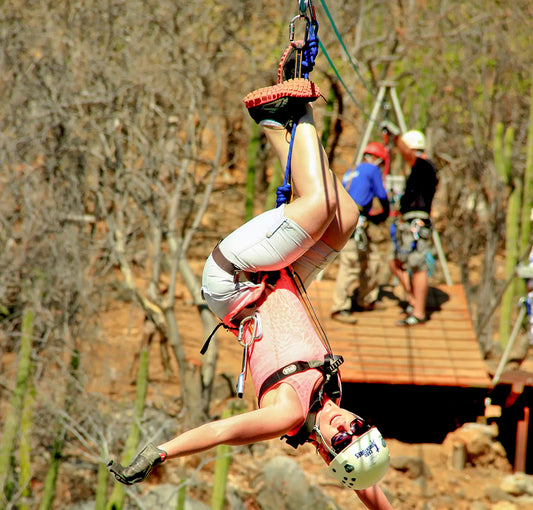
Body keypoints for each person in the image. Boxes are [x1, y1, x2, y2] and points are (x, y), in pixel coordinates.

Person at [108, 68, 393, 508]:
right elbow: (369, 488)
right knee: (346, 220)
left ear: (324, 449)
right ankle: (282, 124)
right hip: (285, 277)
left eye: (342, 438)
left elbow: (223, 433)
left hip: (237, 281)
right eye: (360, 427)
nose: (346, 425)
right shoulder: (331, 398)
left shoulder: (289, 413)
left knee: (316, 206)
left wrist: (162, 451)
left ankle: (294, 114)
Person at [381, 121, 439, 326]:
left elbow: (407, 154)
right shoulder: (419, 170)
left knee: (418, 267)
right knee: (395, 262)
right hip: (408, 222)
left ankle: (419, 312)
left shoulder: (424, 165)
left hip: (417, 224)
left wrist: (396, 137)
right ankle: (414, 301)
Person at [330, 142, 390, 324]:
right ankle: (339, 307)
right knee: (350, 265)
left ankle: (366, 298)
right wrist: (385, 212)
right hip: (354, 222)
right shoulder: (372, 170)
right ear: (378, 160)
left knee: (372, 259)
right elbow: (381, 195)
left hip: (347, 220)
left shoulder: (353, 170)